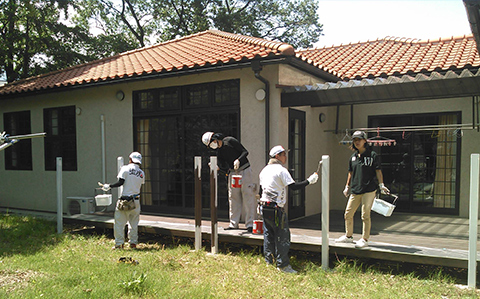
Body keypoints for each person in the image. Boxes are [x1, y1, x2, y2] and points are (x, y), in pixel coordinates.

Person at [258, 145, 318, 273]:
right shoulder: (281, 170)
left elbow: (260, 189)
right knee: (282, 236)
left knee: (269, 235)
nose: (286, 156)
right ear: (277, 156)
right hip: (276, 209)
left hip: (264, 207)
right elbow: (294, 187)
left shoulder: (264, 170)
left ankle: (270, 261)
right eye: (283, 154)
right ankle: (283, 265)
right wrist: (309, 181)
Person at [335, 131, 390, 249]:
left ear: (365, 141)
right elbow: (350, 173)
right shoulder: (353, 157)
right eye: (355, 140)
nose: (357, 142)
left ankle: (365, 239)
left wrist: (381, 184)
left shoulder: (373, 155)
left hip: (369, 189)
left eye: (359, 139)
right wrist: (347, 186)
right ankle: (348, 236)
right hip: (355, 189)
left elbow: (378, 171)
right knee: (348, 214)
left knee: (365, 215)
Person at [202, 132, 257, 232]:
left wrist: (238, 160)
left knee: (248, 196)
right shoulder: (220, 152)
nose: (212, 146)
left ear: (215, 139)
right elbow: (225, 168)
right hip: (233, 173)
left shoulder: (230, 141)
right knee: (233, 198)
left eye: (211, 143)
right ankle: (233, 223)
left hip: (245, 170)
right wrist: (217, 167)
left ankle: (250, 224)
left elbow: (245, 152)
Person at [101, 152, 145, 249]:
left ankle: (119, 244)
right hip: (136, 200)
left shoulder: (125, 168)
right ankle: (133, 243)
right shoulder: (141, 173)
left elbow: (121, 182)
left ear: (130, 159)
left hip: (125, 200)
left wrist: (109, 186)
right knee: (134, 223)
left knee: (119, 223)